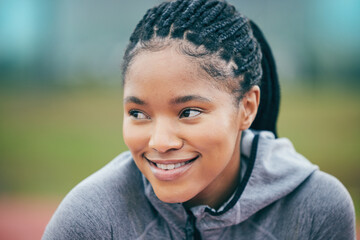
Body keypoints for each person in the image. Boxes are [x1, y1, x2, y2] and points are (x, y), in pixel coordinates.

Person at [43, 0, 356, 239]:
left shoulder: (317, 208)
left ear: (247, 108)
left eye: (188, 112)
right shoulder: (91, 219)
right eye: (139, 113)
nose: (160, 142)